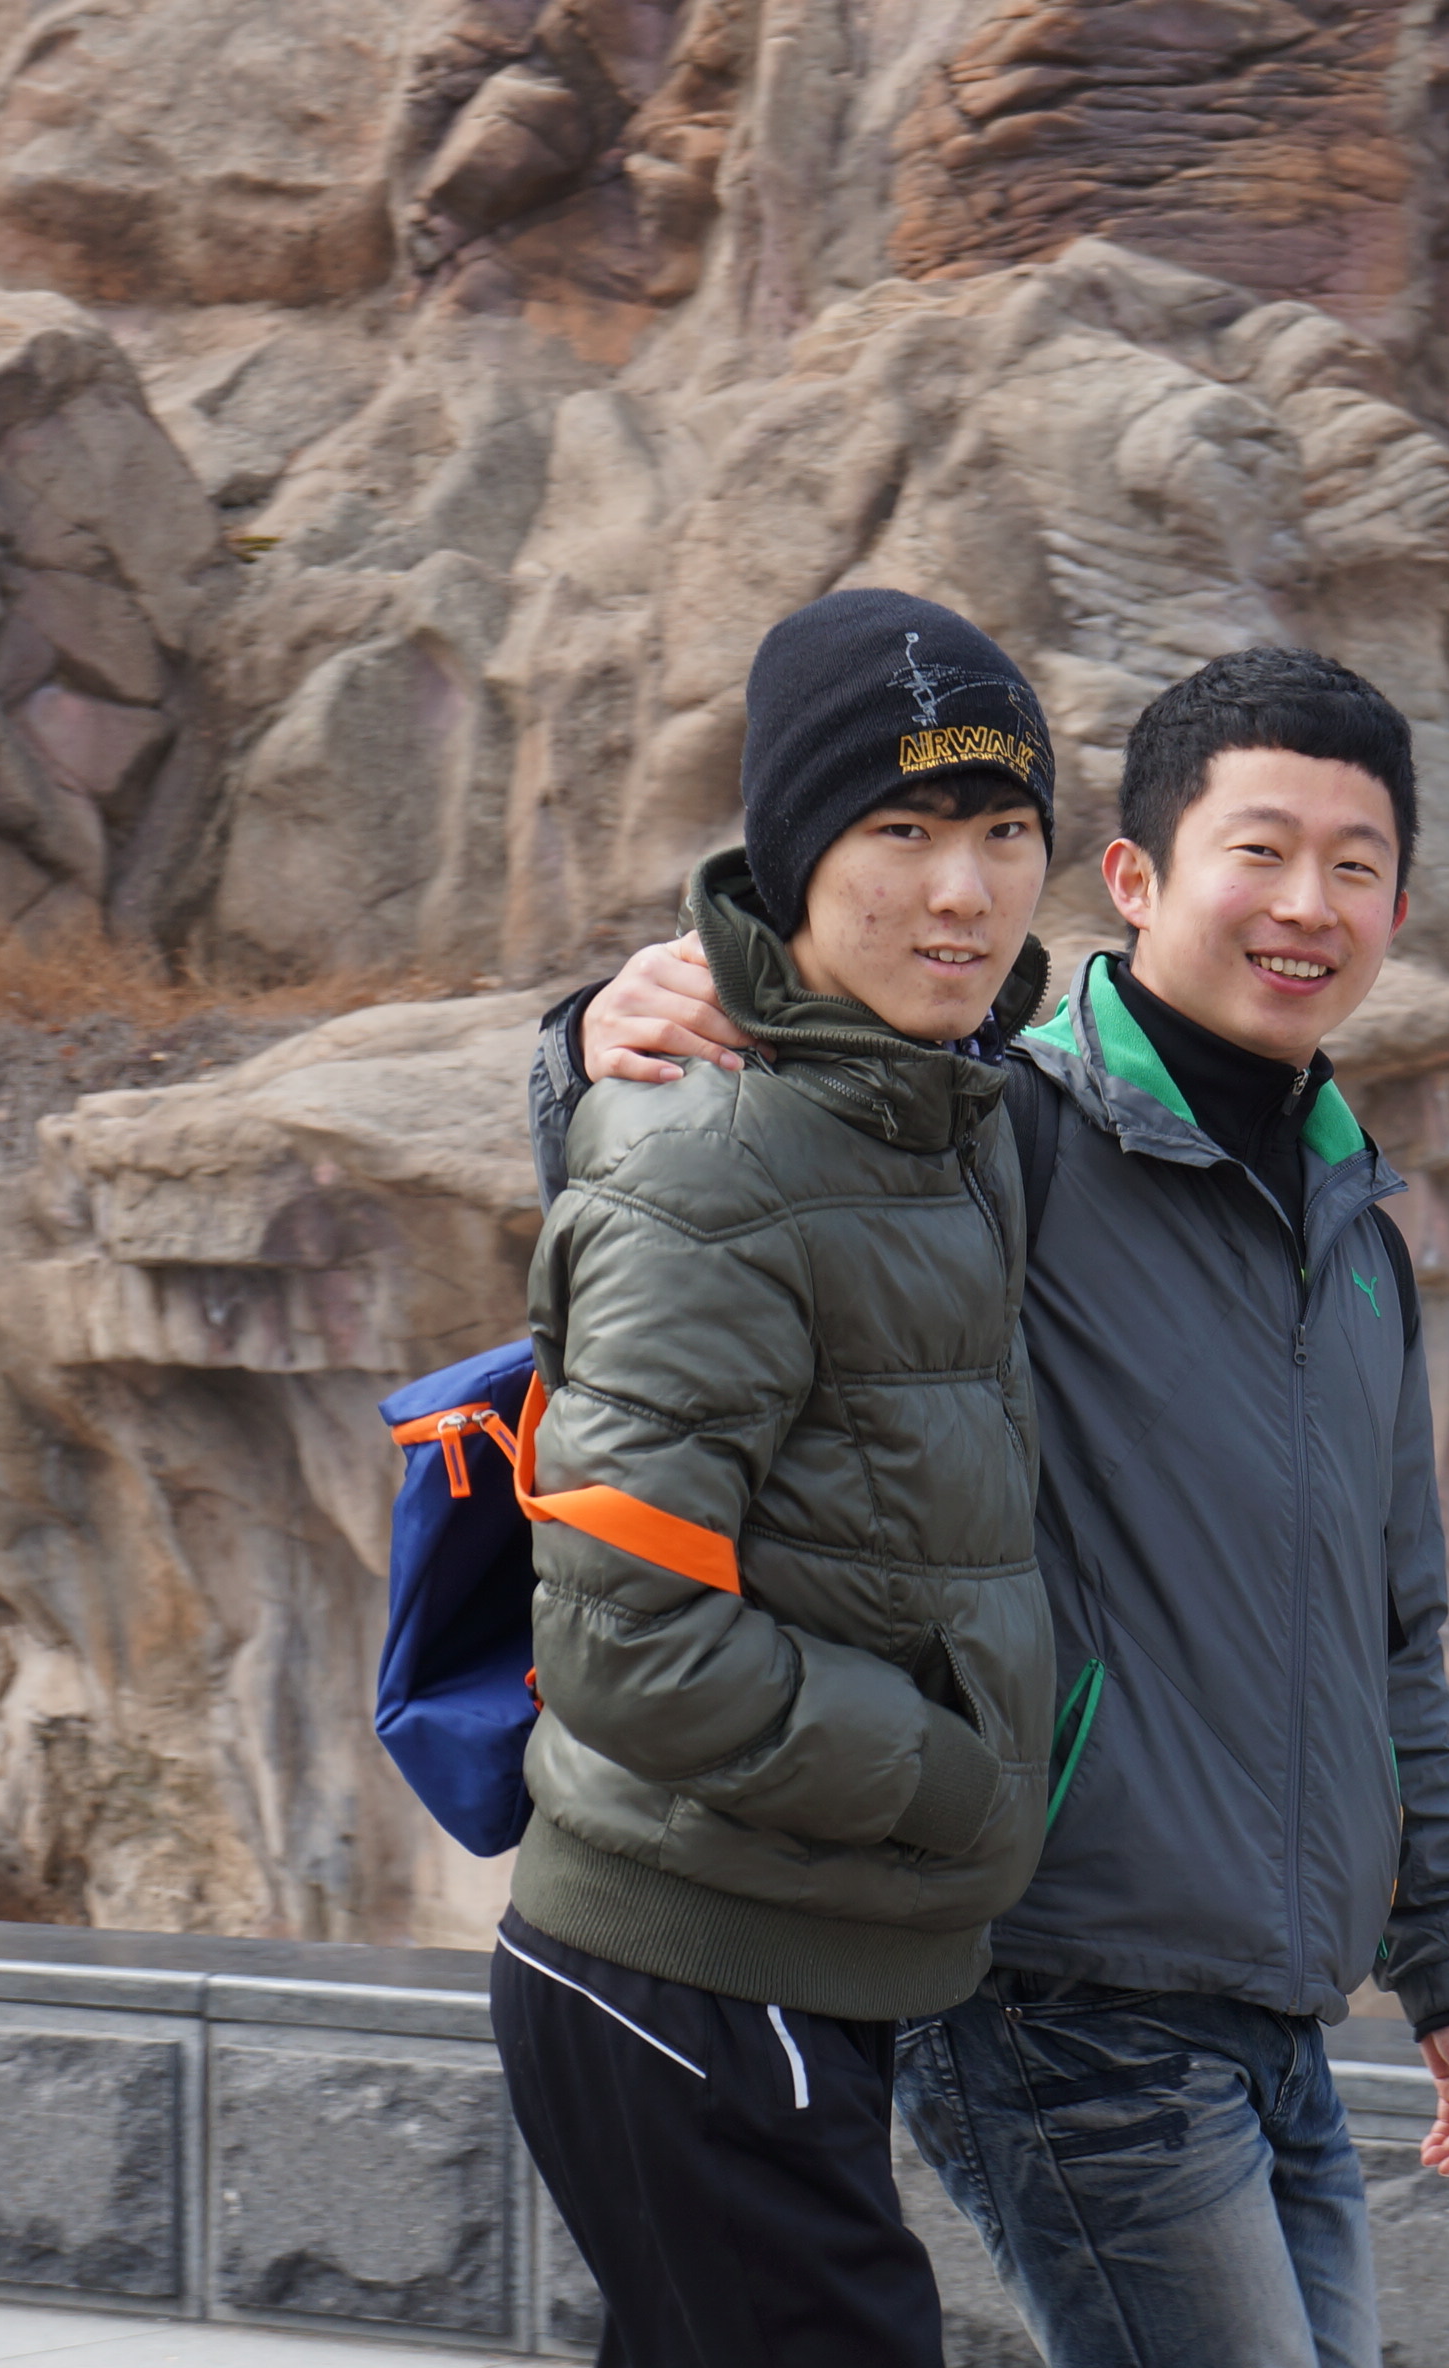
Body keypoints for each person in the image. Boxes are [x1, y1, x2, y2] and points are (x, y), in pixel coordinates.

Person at [531, 645, 1449, 2367]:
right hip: (1065, 1987)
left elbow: (1393, 1636)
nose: (1308, 906)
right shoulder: (1013, 1133)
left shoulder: (1359, 1239)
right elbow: (770, 1142)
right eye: (1260, 852)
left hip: (1281, 2013)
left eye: (1355, 867)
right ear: (1132, 879)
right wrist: (581, 1044)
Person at [493, 587, 1060, 2368]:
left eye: (1005, 832)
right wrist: (960, 1778)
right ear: (798, 853)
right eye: (902, 832)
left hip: (781, 1941)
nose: (962, 892)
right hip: (694, 1962)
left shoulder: (942, 1110)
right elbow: (629, 1640)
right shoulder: (715, 1154)